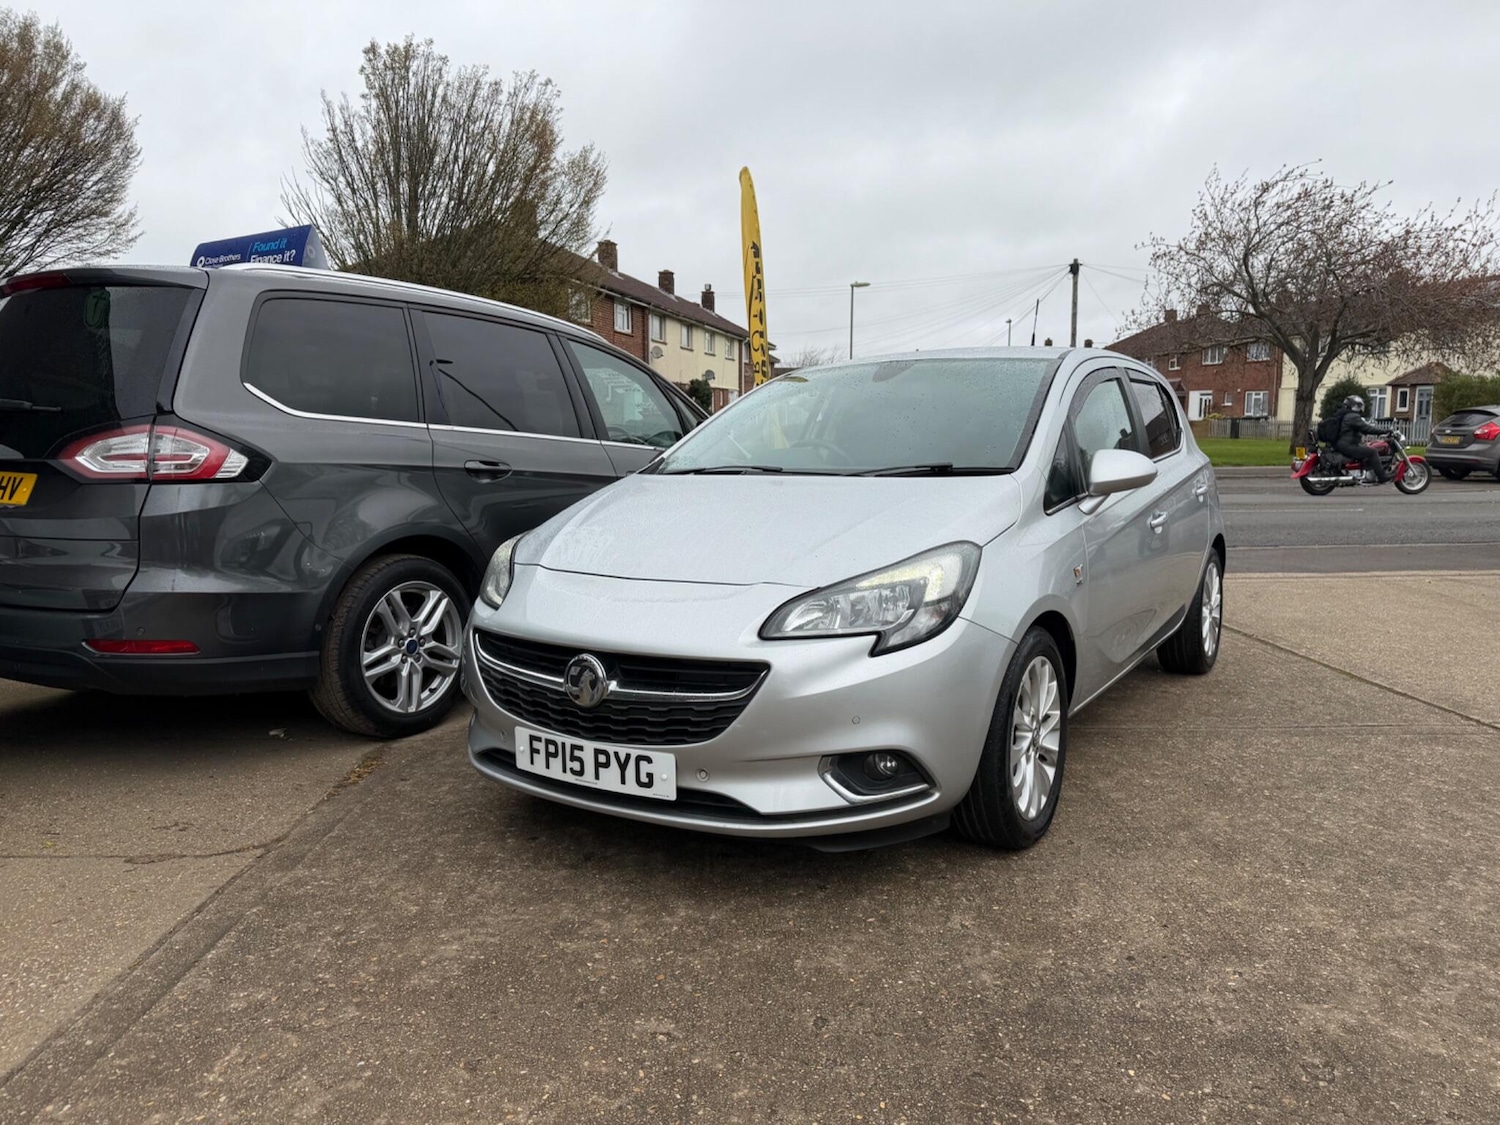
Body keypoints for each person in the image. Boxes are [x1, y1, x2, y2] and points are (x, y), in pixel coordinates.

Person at [1333, 395, 1395, 484]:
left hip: (1344, 445)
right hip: (1348, 446)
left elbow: (1361, 429)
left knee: (1366, 448)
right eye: (1358, 405)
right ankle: (1382, 476)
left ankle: (1368, 474)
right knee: (1372, 452)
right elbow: (1367, 428)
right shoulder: (1353, 416)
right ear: (1355, 406)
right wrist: (1384, 431)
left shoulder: (1346, 415)